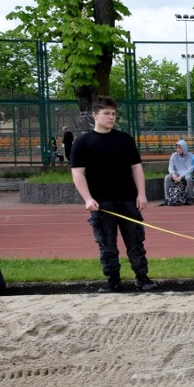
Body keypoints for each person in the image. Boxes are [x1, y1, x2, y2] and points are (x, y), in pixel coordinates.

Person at [70, 96, 156, 293]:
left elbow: (136, 168)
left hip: (128, 200)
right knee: (107, 245)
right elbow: (78, 173)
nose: (111, 117)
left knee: (135, 242)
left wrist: (141, 194)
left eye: (113, 114)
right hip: (101, 204)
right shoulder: (82, 142)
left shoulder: (124, 139)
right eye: (106, 113)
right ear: (94, 115)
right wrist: (87, 199)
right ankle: (113, 279)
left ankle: (142, 277)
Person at [160, 139, 194, 206]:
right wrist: (173, 174)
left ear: (184, 148)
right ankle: (167, 198)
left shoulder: (191, 156)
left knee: (189, 178)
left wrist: (181, 176)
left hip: (186, 174)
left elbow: (191, 169)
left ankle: (189, 198)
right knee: (167, 177)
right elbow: (170, 167)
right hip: (176, 174)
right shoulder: (174, 155)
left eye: (180, 148)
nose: (178, 150)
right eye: (177, 148)